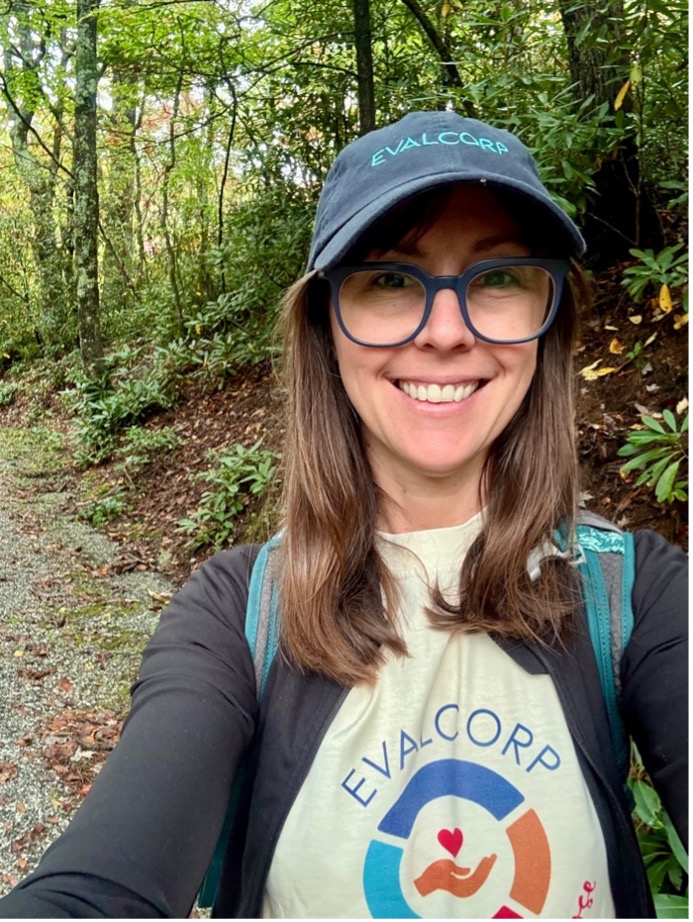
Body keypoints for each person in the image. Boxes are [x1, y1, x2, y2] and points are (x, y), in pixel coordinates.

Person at [0, 111, 687, 919]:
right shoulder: (233, 617)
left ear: (550, 320)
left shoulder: (636, 596)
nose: (444, 333)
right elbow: (98, 890)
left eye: (498, 277)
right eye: (390, 280)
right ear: (326, 325)